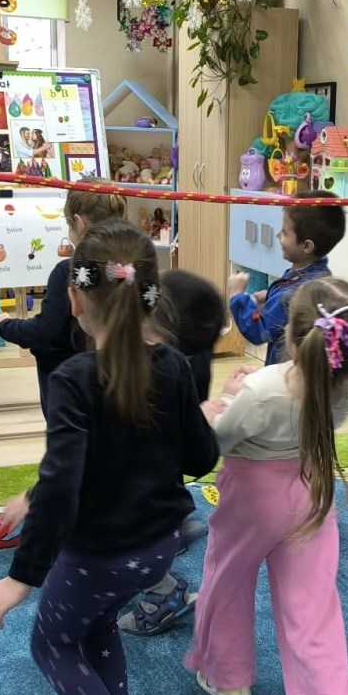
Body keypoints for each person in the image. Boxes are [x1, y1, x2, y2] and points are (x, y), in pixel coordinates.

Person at [0, 220, 219, 695]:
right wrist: (199, 416)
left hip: (102, 554)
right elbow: (201, 459)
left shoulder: (73, 379)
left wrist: (20, 577)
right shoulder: (173, 366)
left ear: (75, 300)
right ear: (149, 295)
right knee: (96, 621)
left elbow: (64, 483)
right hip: (158, 549)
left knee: (51, 642)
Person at [186, 277, 348, 695]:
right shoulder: (345, 387)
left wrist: (219, 403)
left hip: (251, 496)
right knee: (313, 607)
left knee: (227, 581)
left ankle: (229, 681)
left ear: (291, 336)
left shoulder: (262, 389)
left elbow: (220, 440)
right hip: (312, 491)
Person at [117, 268, 227, 637]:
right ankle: (170, 540)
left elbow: (195, 455)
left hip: (139, 493)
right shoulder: (178, 363)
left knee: (128, 538)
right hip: (159, 488)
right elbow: (197, 457)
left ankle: (164, 594)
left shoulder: (151, 368)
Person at [0, 183, 128, 406]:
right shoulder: (132, 265)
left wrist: (4, 325)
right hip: (125, 378)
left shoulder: (70, 271)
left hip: (70, 386)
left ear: (78, 222)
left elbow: (44, 331)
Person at [227, 193, 344, 363]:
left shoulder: (291, 296)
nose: (278, 235)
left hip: (285, 373)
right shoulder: (321, 276)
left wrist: (237, 297)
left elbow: (259, 332)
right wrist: (270, 297)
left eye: (285, 232)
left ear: (307, 246)